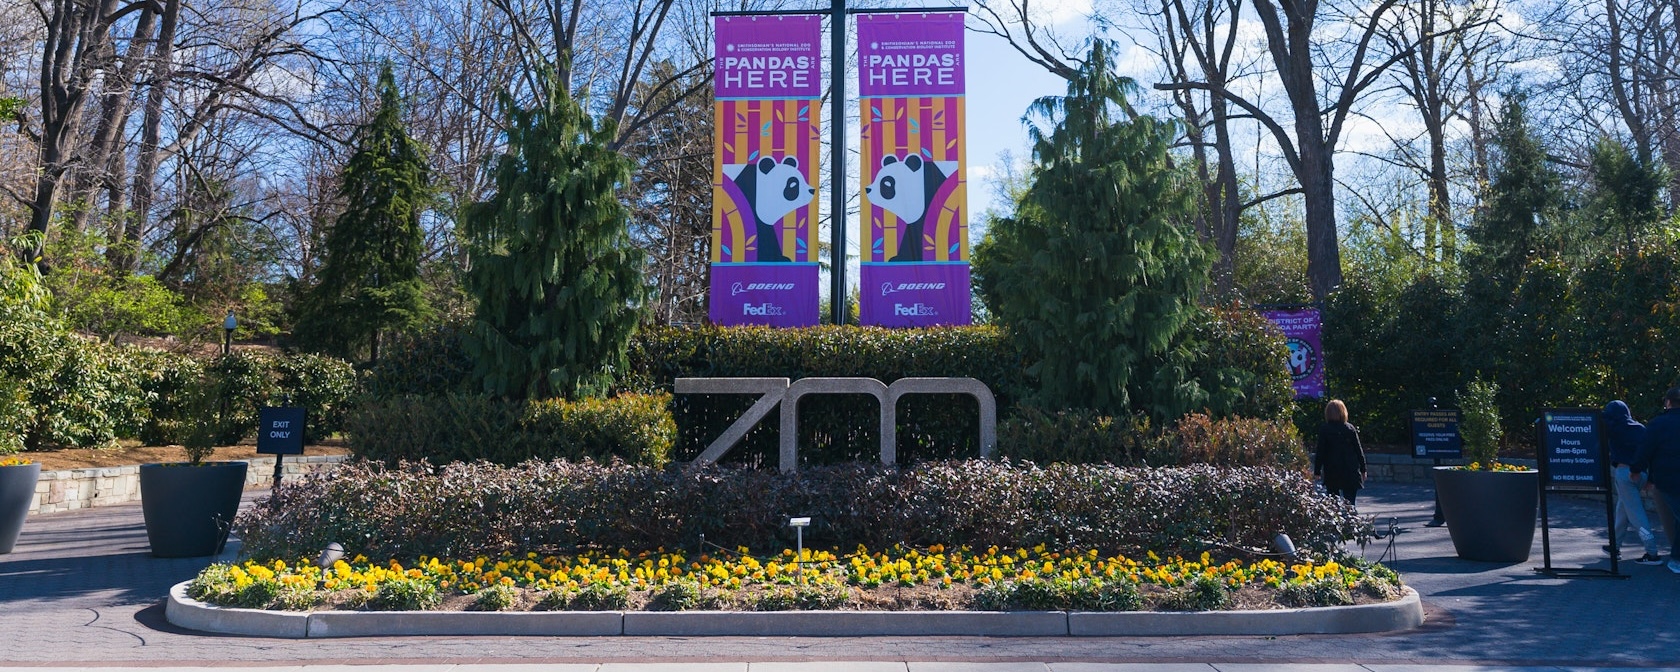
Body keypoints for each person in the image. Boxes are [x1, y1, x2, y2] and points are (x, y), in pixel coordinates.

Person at [1602, 400, 1663, 564]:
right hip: (1641, 474)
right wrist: (1650, 478)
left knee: (1637, 516)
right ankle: (1614, 546)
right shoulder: (1640, 428)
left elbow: (1601, 421)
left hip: (1624, 474)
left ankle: (1652, 553)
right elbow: (1651, 454)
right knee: (1622, 510)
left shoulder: (1613, 428)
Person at [1632, 386, 1680, 574]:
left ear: (1668, 402)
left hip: (1668, 479)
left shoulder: (1658, 424)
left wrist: (1637, 470)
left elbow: (1646, 450)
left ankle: (1676, 559)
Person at [1315, 399, 1367, 505]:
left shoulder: (1325, 429)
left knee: (1333, 503)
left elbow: (1320, 452)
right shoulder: (1350, 428)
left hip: (1332, 470)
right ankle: (1351, 520)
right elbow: (1358, 450)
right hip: (1350, 470)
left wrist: (1317, 470)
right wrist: (1363, 469)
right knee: (1350, 503)